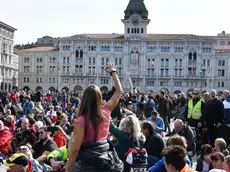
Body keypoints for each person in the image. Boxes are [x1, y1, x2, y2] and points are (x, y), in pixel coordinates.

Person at [65, 62, 123, 172]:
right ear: (99, 98)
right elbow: (119, 92)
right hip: (106, 160)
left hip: (89, 163)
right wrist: (113, 72)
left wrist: (68, 166)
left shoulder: (81, 121)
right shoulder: (106, 111)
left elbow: (75, 149)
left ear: (84, 99)